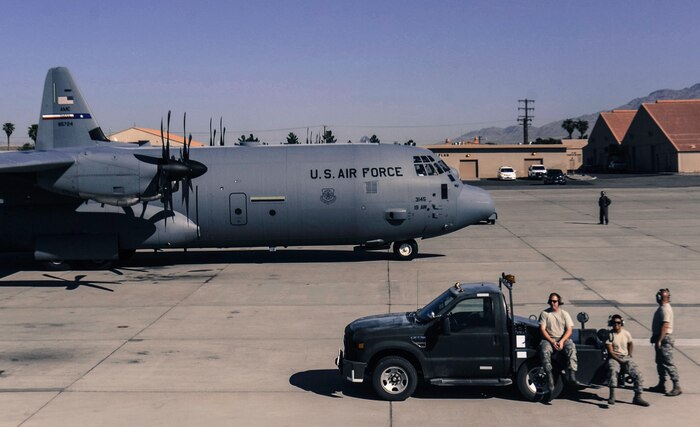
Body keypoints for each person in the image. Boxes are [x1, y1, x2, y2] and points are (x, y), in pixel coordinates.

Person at [538, 292, 582, 391]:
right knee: (545, 351)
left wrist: (562, 341)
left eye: (555, 301)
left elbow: (569, 330)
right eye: (551, 301)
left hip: (562, 338)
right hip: (549, 339)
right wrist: (552, 341)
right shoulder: (545, 314)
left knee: (571, 349)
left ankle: (572, 374)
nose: (553, 303)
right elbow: (542, 329)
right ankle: (549, 377)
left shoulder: (564, 314)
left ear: (559, 302)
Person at [605, 314, 649, 406]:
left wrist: (629, 355)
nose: (616, 324)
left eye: (618, 323)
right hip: (614, 357)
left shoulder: (626, 333)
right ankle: (612, 395)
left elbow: (630, 343)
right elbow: (610, 352)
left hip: (625, 357)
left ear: (622, 323)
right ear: (611, 323)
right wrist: (620, 361)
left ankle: (637, 397)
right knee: (613, 370)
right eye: (614, 323)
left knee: (638, 374)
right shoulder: (609, 335)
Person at [649, 288, 681, 396]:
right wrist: (655, 336)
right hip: (660, 337)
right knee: (660, 362)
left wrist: (660, 340)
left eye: (659, 296)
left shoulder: (665, 309)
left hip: (665, 339)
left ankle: (676, 386)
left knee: (668, 363)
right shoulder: (662, 308)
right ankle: (661, 384)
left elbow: (665, 325)